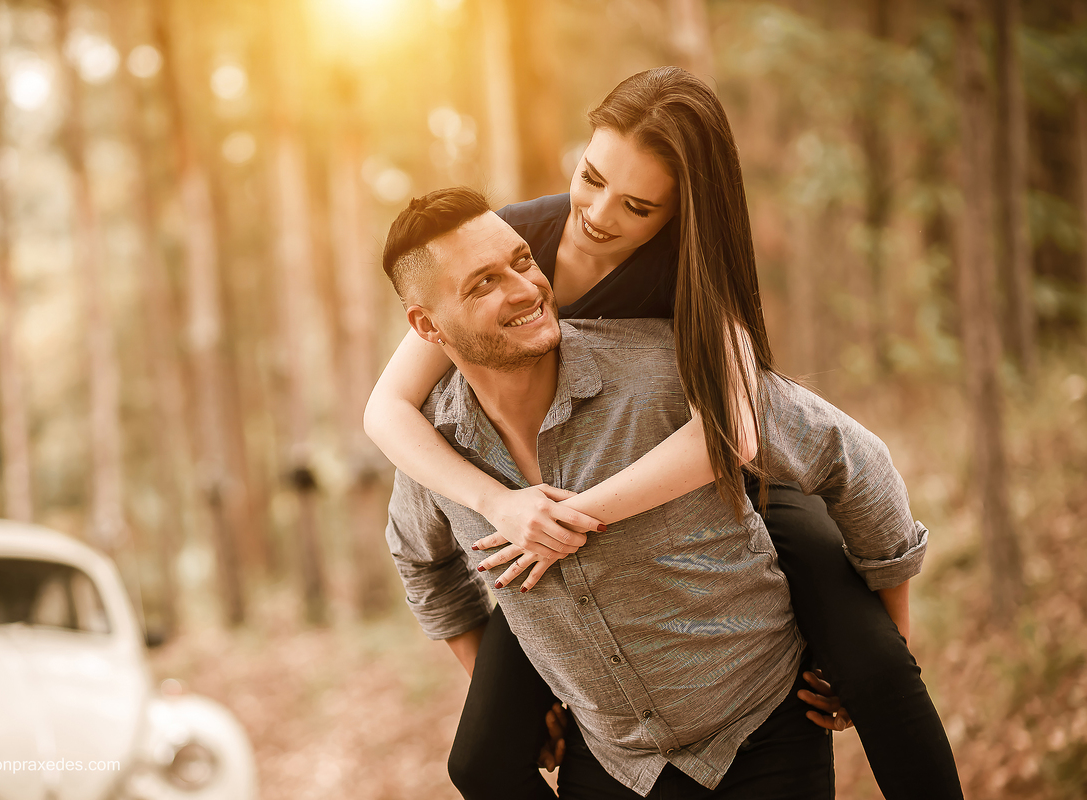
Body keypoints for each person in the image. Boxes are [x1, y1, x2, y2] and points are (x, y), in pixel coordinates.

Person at [366, 68, 962, 799]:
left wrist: (574, 514)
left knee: (870, 652)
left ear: (679, 214)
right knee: (482, 757)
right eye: (591, 177)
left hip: (719, 486)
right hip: (534, 515)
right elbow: (386, 410)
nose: (596, 213)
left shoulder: (691, 275)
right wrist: (502, 506)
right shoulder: (510, 239)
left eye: (637, 205)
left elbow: (736, 432)